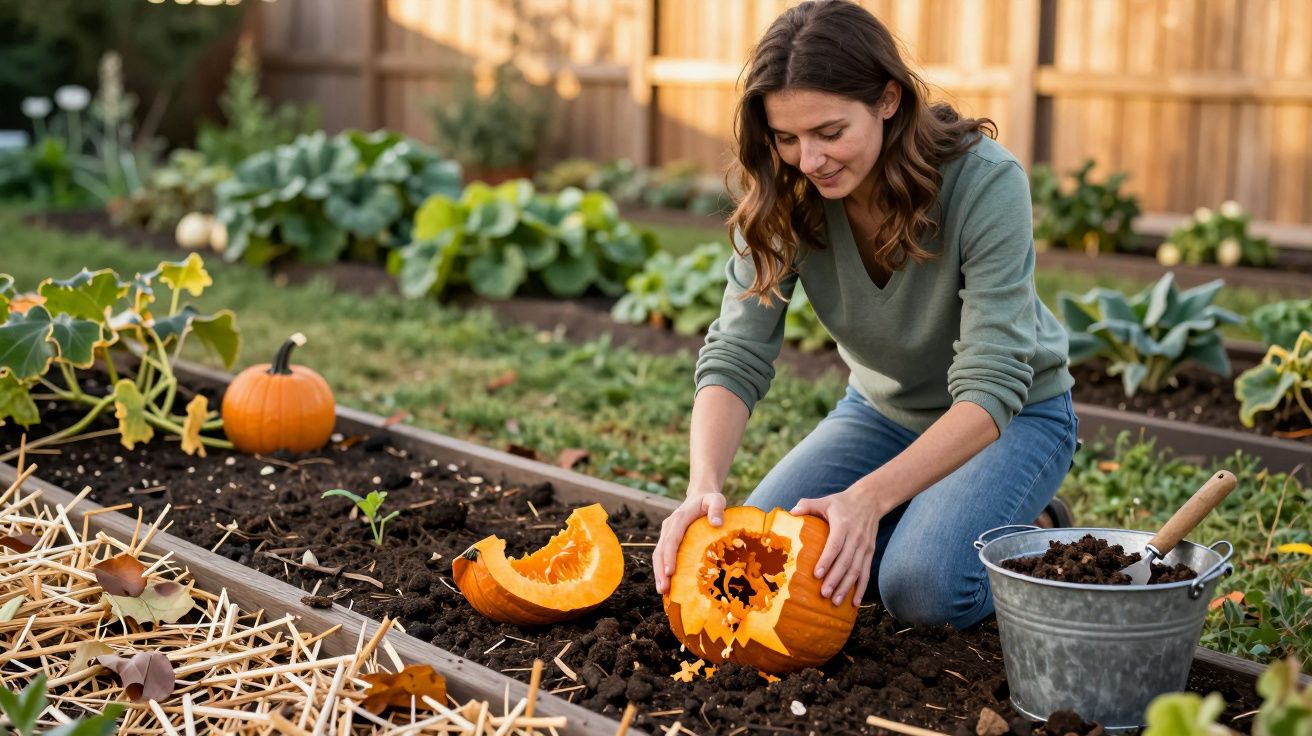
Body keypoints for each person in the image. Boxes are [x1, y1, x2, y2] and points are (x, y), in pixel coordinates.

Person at [651, 0, 1079, 630]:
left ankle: (1035, 532)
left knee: (920, 590)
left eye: (829, 133)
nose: (810, 160)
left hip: (1013, 419)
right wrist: (702, 486)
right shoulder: (783, 192)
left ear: (887, 100)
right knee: (773, 561)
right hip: (881, 415)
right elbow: (737, 352)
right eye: (787, 137)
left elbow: (993, 385)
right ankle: (929, 516)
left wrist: (868, 498)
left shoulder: (985, 183)